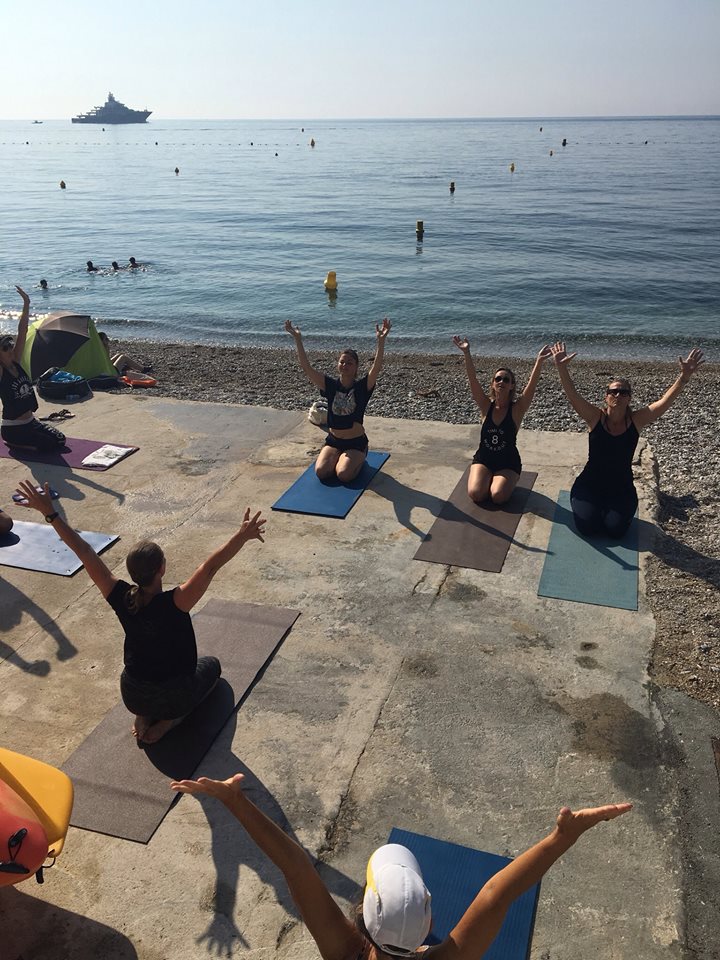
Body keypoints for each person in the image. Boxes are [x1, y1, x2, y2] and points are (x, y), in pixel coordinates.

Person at [171, 772, 631, 960]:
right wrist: (561, 838)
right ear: (430, 921)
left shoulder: (344, 951)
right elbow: (498, 893)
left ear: (363, 920)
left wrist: (235, 802)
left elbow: (296, 867)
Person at [15, 480, 266, 745]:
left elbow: (85, 551)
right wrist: (241, 536)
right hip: (173, 698)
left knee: (155, 681)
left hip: (132, 695)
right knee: (212, 667)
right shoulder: (178, 601)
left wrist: (51, 514)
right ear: (162, 569)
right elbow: (210, 567)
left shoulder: (121, 596)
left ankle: (143, 716)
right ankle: (168, 722)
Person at [550, 342, 704, 538]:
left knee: (615, 531)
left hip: (621, 488)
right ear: (606, 397)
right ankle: (594, 507)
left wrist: (683, 377)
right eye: (613, 391)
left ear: (629, 398)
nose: (618, 395)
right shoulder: (595, 418)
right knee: (588, 528)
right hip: (589, 485)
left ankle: (608, 511)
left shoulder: (636, 421)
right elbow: (573, 396)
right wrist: (561, 368)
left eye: (623, 392)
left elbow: (664, 402)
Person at [285, 318, 391, 482]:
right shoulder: (330, 386)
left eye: (349, 362)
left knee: (344, 475)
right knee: (321, 472)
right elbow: (307, 367)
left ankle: (361, 455)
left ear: (356, 367)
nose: (345, 364)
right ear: (337, 365)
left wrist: (381, 341)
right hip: (334, 441)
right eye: (342, 361)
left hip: (355, 443)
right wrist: (297, 339)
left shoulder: (362, 387)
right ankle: (338, 456)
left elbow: (376, 368)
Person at [452, 338, 552, 504]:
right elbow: (473, 380)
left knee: (498, 496)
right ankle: (487, 478)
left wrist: (539, 361)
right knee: (476, 494)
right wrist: (467, 353)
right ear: (492, 384)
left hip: (508, 462)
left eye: (506, 380)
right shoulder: (485, 406)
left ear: (512, 385)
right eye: (498, 379)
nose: (501, 382)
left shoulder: (517, 409)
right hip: (484, 459)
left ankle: (505, 480)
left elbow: (531, 387)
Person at [0, 287, 65, 451]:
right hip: (13, 427)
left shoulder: (16, 361)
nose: (10, 347)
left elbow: (22, 330)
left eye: (10, 344)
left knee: (60, 440)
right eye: (6, 347)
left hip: (31, 422)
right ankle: (14, 443)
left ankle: (27, 440)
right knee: (50, 446)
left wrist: (26, 303)